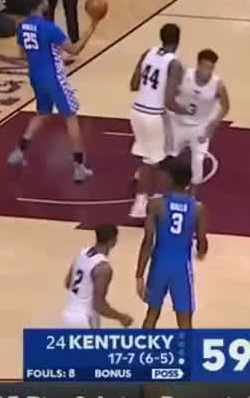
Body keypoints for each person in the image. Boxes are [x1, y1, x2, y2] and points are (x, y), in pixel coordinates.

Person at [7, 0, 97, 182]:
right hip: (54, 78)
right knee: (71, 116)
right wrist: (93, 26)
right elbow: (75, 49)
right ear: (40, 4)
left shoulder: (22, 27)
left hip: (35, 76)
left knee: (42, 113)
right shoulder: (49, 28)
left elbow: (22, 55)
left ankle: (19, 152)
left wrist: (41, 56)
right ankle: (79, 166)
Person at [135, 159, 208, 329]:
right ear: (189, 181)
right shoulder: (197, 208)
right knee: (185, 321)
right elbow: (202, 242)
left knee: (151, 315)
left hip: (159, 265)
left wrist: (139, 275)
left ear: (169, 179)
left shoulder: (156, 204)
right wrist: (201, 251)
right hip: (181, 267)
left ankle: (143, 346)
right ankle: (185, 347)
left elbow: (147, 242)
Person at [127, 23, 185, 219]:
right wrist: (186, 111)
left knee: (148, 155)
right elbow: (169, 101)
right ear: (178, 40)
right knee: (156, 160)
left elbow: (133, 84)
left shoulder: (148, 53)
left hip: (137, 111)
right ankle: (143, 202)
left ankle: (146, 194)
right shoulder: (174, 64)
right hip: (153, 115)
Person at [167, 49, 230, 186]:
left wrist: (212, 126)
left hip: (200, 126)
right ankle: (146, 176)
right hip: (178, 123)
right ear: (199, 65)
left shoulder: (217, 84)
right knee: (166, 155)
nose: (208, 71)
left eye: (211, 68)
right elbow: (170, 93)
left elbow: (225, 107)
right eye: (206, 67)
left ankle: (193, 194)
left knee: (198, 161)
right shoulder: (184, 76)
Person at [62, 224, 133, 328]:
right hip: (85, 319)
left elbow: (68, 283)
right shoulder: (103, 267)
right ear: (113, 241)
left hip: (68, 316)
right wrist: (121, 317)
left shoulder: (82, 253)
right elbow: (99, 305)